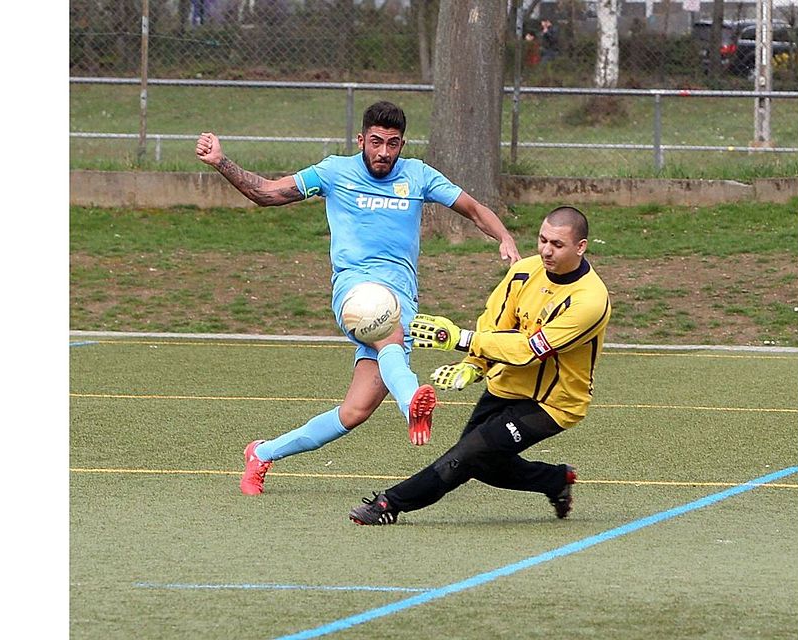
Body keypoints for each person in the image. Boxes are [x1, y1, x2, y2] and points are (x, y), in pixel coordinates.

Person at [194, 100, 521, 495]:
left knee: (354, 411)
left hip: (401, 298)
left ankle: (262, 453)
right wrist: (221, 162)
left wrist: (504, 236)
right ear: (361, 139)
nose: (384, 152)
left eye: (394, 144)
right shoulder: (334, 172)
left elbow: (472, 208)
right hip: (355, 290)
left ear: (403, 144)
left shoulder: (417, 176)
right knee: (388, 329)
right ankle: (412, 403)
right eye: (377, 142)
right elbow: (266, 193)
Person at [348, 206, 611, 525]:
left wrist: (461, 339)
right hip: (506, 385)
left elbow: (529, 350)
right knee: (482, 462)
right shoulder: (524, 272)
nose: (545, 250)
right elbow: (495, 324)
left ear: (580, 247)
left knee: (468, 454)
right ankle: (555, 480)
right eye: (542, 240)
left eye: (557, 244)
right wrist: (474, 364)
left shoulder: (589, 300)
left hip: (553, 403)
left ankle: (389, 504)